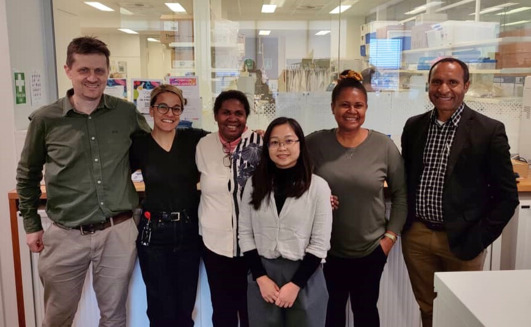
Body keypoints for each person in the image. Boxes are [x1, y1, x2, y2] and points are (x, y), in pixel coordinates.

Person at [16, 36, 150, 327]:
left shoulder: (125, 113)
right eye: (84, 70)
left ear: (108, 72)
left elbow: (149, 154)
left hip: (117, 230)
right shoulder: (45, 119)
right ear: (68, 70)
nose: (92, 78)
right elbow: (27, 174)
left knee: (114, 317)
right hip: (65, 234)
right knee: (57, 317)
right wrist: (31, 225)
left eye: (99, 71)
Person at [400, 57, 519, 327]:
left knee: (461, 315)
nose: (444, 89)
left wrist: (479, 238)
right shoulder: (414, 126)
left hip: (464, 240)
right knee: (428, 310)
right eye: (437, 81)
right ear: (429, 86)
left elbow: (507, 196)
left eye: (453, 82)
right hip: (417, 237)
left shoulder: (489, 131)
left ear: (466, 86)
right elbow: (407, 177)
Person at [306, 69, 407, 327]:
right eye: (345, 105)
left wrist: (390, 239)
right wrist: (315, 198)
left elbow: (401, 195)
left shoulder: (383, 146)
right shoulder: (316, 143)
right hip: (327, 251)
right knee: (331, 315)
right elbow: (289, 172)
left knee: (366, 314)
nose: (352, 111)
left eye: (358, 105)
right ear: (333, 108)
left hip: (370, 250)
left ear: (366, 108)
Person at [238, 117, 332, 327]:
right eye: (274, 142)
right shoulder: (255, 184)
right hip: (264, 276)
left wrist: (295, 285)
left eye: (289, 141)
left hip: (305, 276)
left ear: (300, 144)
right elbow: (245, 234)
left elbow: (320, 243)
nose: (282, 148)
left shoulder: (318, 187)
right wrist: (260, 278)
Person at [130, 84, 208, 326]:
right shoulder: (138, 144)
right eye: (163, 107)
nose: (170, 113)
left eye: (176, 108)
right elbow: (114, 176)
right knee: (159, 308)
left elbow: (230, 140)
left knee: (185, 308)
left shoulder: (195, 139)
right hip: (153, 234)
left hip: (188, 231)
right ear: (151, 110)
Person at [196, 90, 263, 327]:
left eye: (239, 113)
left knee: (251, 311)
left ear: (246, 117)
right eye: (226, 112)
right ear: (216, 116)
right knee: (222, 311)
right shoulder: (203, 145)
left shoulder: (260, 144)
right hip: (215, 244)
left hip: (253, 244)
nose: (232, 118)